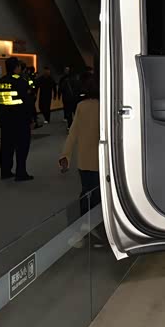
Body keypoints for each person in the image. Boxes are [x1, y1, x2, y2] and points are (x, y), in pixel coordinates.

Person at [59, 71, 106, 244]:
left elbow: (73, 133)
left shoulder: (81, 106)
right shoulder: (105, 106)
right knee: (99, 196)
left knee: (86, 192)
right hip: (102, 159)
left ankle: (85, 229)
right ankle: (97, 231)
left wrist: (65, 155)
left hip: (84, 160)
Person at [0, 57, 33, 181]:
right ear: (17, 67)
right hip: (20, 120)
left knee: (6, 146)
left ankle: (5, 171)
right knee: (22, 146)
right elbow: (27, 103)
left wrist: (0, 117)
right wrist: (31, 119)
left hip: (5, 119)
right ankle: (20, 172)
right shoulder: (21, 82)